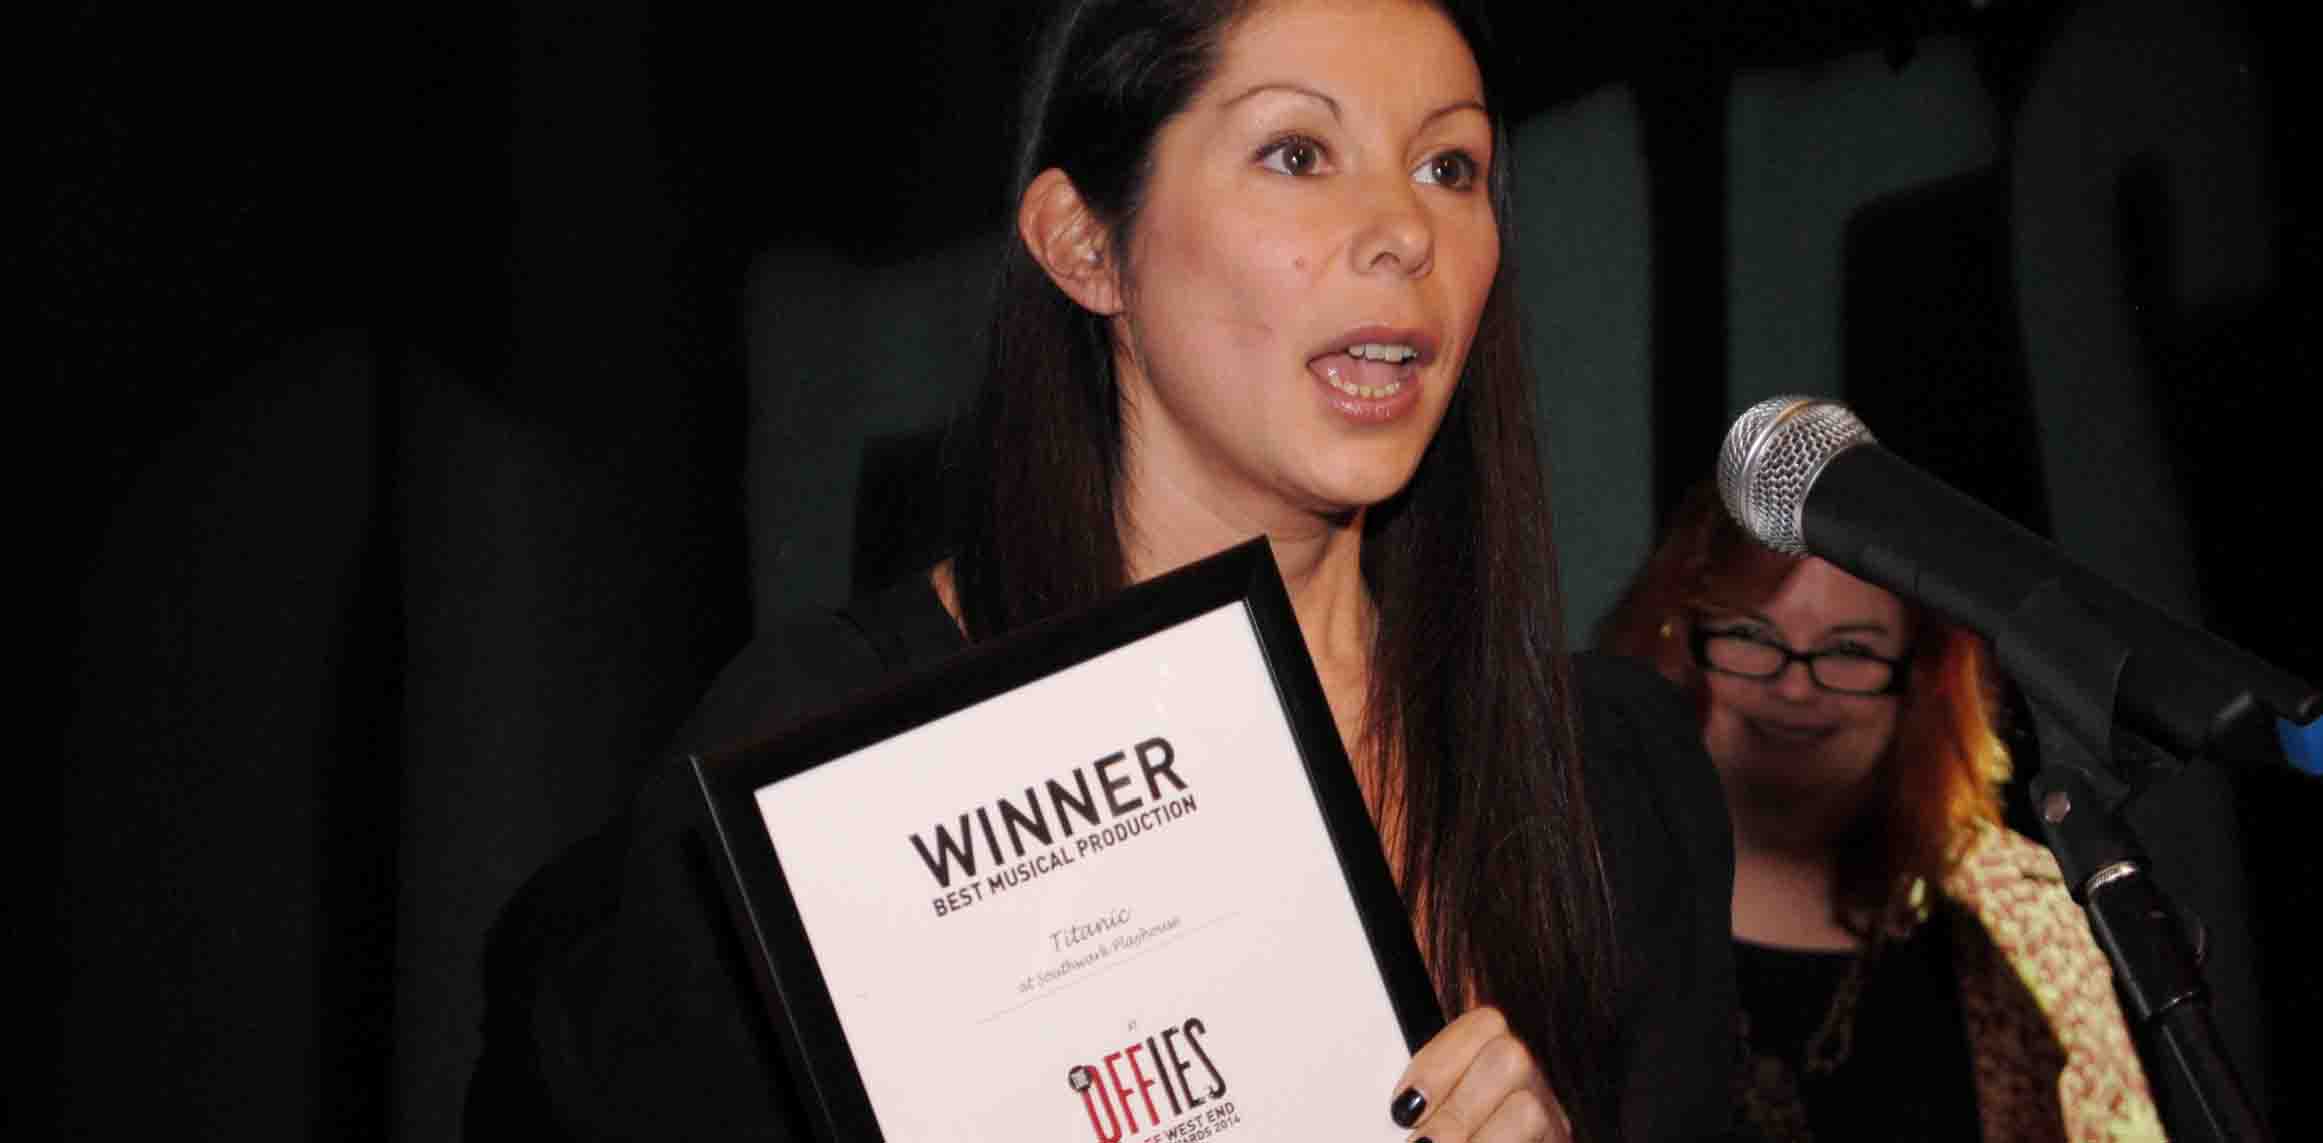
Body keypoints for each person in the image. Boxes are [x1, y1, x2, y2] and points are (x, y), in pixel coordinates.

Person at [467, 2, 1739, 1140]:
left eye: (1448, 165)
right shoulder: (832, 756)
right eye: (1297, 154)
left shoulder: (1610, 776)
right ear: (1085, 245)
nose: (1405, 229)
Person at [1598, 479, 2164, 1142]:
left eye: (1849, 650)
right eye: (1752, 633)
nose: (1794, 685)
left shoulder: (2022, 914)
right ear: (1678, 642)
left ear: (1919, 681)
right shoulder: (1565, 888)